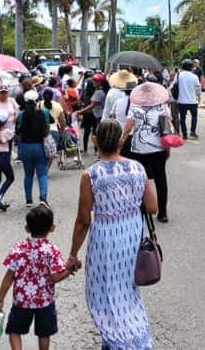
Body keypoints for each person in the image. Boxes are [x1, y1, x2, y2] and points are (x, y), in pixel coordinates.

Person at [68, 119, 157, 350]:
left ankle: (122, 344)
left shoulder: (91, 175)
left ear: (95, 141)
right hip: (131, 236)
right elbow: (152, 207)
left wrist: (73, 254)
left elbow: (83, 220)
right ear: (120, 141)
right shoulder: (138, 167)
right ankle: (134, 340)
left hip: (105, 241)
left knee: (104, 294)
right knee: (128, 293)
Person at [0, 205, 77, 350]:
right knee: (44, 334)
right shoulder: (52, 250)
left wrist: (0, 300)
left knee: (14, 331)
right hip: (44, 302)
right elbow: (55, 277)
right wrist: (70, 270)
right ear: (52, 228)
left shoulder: (18, 248)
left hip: (21, 301)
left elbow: (9, 277)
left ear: (26, 228)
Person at [121, 81, 176, 222]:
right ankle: (163, 212)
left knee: (139, 179)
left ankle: (142, 208)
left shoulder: (135, 108)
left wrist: (120, 145)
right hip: (159, 149)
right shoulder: (163, 108)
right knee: (161, 180)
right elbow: (166, 130)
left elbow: (127, 129)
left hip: (139, 149)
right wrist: (167, 149)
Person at [17, 90, 52, 206]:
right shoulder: (44, 112)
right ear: (37, 101)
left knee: (28, 174)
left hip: (25, 147)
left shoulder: (21, 114)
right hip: (39, 146)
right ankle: (43, 198)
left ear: (25, 102)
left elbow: (18, 131)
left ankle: (28, 200)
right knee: (42, 174)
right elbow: (47, 128)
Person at [73, 73, 107, 153]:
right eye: (93, 81)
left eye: (95, 81)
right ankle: (96, 150)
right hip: (95, 115)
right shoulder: (99, 91)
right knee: (95, 132)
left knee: (90, 133)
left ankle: (92, 150)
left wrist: (79, 111)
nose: (94, 83)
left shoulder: (96, 92)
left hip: (93, 115)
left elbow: (91, 105)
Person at [173, 59, 201, 140]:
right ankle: (193, 132)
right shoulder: (195, 76)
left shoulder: (179, 75)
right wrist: (199, 98)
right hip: (193, 101)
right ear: (191, 67)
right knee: (194, 117)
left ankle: (184, 134)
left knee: (182, 118)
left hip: (182, 101)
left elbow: (174, 85)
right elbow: (198, 89)